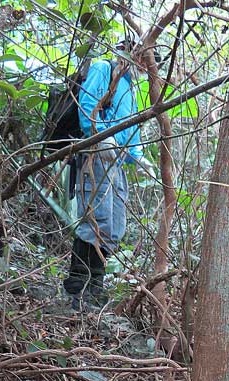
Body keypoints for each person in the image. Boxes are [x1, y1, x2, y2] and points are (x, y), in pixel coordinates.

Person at [63, 39, 144, 310]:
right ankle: (77, 290)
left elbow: (130, 126)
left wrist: (139, 157)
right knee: (95, 220)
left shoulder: (130, 87)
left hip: (116, 161)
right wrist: (98, 137)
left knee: (113, 226)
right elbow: (87, 104)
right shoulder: (103, 68)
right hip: (95, 155)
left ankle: (94, 287)